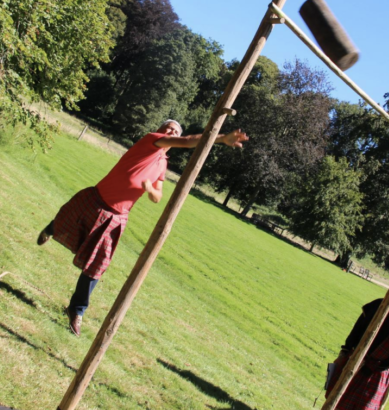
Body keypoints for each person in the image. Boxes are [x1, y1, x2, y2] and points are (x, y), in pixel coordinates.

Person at [37, 119, 249, 336]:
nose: (170, 131)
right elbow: (186, 141)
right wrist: (221, 138)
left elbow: (158, 196)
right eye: (168, 127)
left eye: (174, 130)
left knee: (96, 266)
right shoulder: (151, 140)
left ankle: (76, 309)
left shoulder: (162, 164)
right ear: (160, 130)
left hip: (117, 216)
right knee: (68, 220)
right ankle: (52, 228)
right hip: (97, 198)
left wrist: (150, 189)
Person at [324, 271, 389, 410]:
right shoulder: (377, 305)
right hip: (354, 364)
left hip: (378, 375)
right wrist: (343, 354)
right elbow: (355, 333)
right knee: (337, 405)